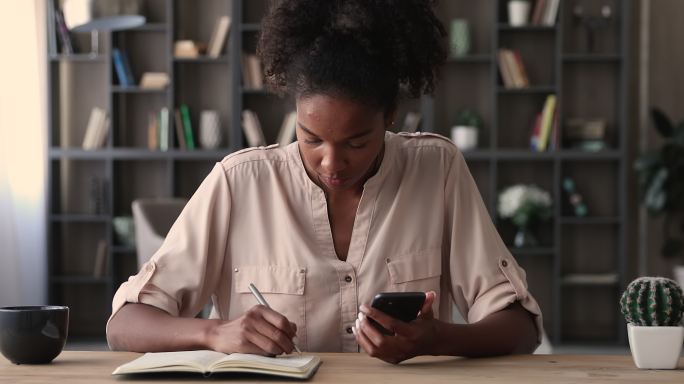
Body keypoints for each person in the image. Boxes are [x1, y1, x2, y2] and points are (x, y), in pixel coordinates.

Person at [106, 0, 542, 364]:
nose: (331, 162)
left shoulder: (437, 169)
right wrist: (215, 333)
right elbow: (124, 325)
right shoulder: (239, 182)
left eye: (356, 141)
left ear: (389, 116)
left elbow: (521, 327)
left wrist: (437, 339)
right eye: (311, 138)